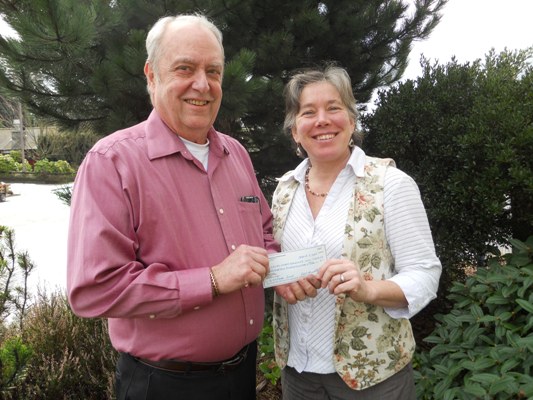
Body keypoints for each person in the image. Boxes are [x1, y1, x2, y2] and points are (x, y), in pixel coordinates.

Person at [67, 13, 279, 400]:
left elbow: (264, 234)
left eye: (213, 71)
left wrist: (288, 268)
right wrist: (212, 280)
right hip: (166, 385)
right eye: (185, 68)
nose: (203, 84)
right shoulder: (112, 162)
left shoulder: (237, 155)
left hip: (242, 374)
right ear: (151, 74)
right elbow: (94, 289)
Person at [271, 65, 442, 400]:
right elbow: (275, 259)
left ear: (351, 120)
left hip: (372, 377)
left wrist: (369, 289)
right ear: (295, 130)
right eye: (308, 112)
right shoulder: (283, 190)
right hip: (298, 374)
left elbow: (425, 273)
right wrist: (279, 274)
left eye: (333, 108)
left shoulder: (390, 184)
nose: (322, 120)